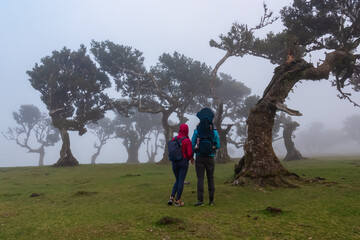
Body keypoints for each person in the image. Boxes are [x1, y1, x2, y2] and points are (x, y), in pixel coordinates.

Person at [191, 108, 220, 206]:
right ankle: (211, 201)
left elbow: (192, 144)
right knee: (210, 178)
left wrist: (192, 154)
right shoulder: (214, 132)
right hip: (210, 158)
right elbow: (218, 145)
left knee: (200, 179)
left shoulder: (197, 131)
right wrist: (213, 147)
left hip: (199, 157)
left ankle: (200, 201)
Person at [168, 124, 194, 207]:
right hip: (183, 162)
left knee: (178, 179)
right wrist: (191, 157)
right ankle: (178, 201)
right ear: (187, 130)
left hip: (174, 162)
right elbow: (189, 153)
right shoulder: (187, 140)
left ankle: (171, 197)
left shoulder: (174, 139)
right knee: (181, 180)